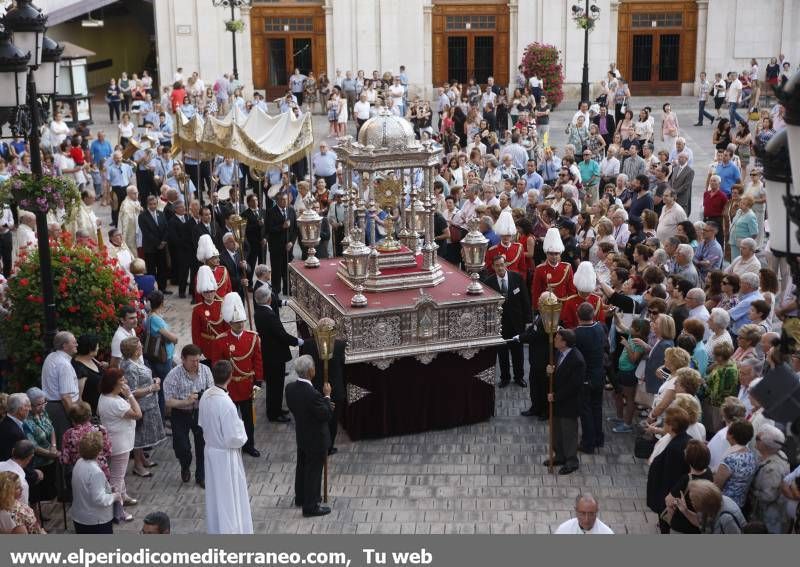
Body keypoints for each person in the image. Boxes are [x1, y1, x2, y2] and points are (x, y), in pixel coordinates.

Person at [198, 360, 253, 534]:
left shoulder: (206, 395)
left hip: (211, 451)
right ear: (231, 376)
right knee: (229, 497)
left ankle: (217, 529)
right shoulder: (226, 403)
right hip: (225, 455)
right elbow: (234, 438)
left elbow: (201, 423)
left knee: (216, 496)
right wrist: (241, 426)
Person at [211, 293, 262, 457]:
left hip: (247, 385)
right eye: (236, 322)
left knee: (249, 419)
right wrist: (221, 386)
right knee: (230, 419)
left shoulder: (252, 337)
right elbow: (217, 365)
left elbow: (257, 360)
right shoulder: (221, 340)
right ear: (230, 323)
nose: (240, 325)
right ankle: (231, 444)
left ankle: (249, 445)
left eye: (241, 322)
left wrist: (258, 381)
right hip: (230, 386)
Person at [285, 355, 334, 517]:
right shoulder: (313, 394)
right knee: (314, 471)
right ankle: (311, 505)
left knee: (302, 466)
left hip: (302, 434)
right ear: (311, 371)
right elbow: (326, 414)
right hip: (315, 438)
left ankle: (301, 497)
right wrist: (327, 397)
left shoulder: (290, 388)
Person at [164, 344, 213, 488]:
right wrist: (186, 401)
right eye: (192, 361)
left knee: (202, 445)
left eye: (198, 360)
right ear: (183, 360)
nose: (196, 364)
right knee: (182, 447)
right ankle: (185, 464)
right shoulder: (173, 375)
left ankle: (201, 476)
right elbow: (168, 400)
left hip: (200, 412)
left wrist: (202, 396)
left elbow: (211, 391)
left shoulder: (205, 370)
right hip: (180, 413)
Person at [97, 368, 141, 523]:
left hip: (118, 441)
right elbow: (138, 414)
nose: (125, 382)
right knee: (117, 477)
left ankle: (123, 495)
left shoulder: (105, 396)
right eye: (122, 380)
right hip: (120, 444)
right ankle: (118, 511)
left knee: (118, 473)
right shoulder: (115, 402)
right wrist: (129, 395)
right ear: (114, 384)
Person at [252, 286, 301, 423]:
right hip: (275, 356)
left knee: (275, 385)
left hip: (270, 353)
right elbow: (281, 335)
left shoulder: (260, 312)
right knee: (276, 386)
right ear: (268, 299)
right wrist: (297, 341)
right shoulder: (269, 315)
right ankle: (274, 413)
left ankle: (277, 408)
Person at [119, 336, 166, 476]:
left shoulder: (135, 362)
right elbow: (132, 391)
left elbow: (141, 381)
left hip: (148, 404)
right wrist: (152, 387)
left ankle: (143, 460)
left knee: (143, 433)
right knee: (138, 436)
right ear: (134, 351)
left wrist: (152, 381)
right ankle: (138, 466)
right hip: (140, 406)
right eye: (139, 346)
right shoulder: (129, 367)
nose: (141, 348)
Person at [544, 329, 585, 475]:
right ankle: (559, 455)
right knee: (557, 430)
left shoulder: (577, 360)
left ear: (564, 342)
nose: (554, 340)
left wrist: (556, 396)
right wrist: (550, 372)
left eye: (557, 338)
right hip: (557, 402)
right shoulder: (558, 353)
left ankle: (571, 460)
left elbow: (574, 386)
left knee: (568, 432)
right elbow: (556, 372)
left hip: (569, 403)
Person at [485, 254, 530, 388]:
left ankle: (519, 377)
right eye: (497, 265)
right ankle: (504, 378)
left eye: (502, 264)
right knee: (502, 353)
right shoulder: (489, 283)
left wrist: (528, 320)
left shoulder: (517, 278)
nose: (500, 268)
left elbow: (525, 300)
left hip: (517, 323)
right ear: (493, 267)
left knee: (518, 353)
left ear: (506, 264)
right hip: (500, 325)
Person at [70, 431, 119, 534]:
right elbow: (100, 499)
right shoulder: (95, 472)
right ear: (99, 451)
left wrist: (109, 489)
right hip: (95, 521)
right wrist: (115, 496)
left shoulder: (79, 463)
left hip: (80, 517)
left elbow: (87, 488)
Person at [574, 302, 607, 453]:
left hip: (585, 377)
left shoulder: (577, 334)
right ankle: (598, 437)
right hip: (599, 375)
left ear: (578, 315)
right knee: (597, 407)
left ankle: (588, 443)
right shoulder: (600, 328)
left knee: (585, 410)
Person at [647, 406, 691, 515]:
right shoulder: (684, 438)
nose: (663, 425)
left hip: (666, 494)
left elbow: (669, 475)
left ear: (671, 427)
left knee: (664, 519)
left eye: (665, 423)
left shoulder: (674, 448)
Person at [40, 331, 80, 449]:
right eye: (74, 342)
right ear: (64, 345)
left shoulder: (51, 357)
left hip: (52, 407)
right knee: (65, 447)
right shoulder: (64, 365)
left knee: (58, 445)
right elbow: (66, 397)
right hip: (61, 410)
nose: (77, 344)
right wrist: (74, 419)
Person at [22, 388, 58, 511]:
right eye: (39, 404)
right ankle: (39, 515)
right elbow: (33, 446)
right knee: (38, 495)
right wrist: (50, 454)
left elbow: (51, 427)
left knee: (49, 490)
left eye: (44, 403)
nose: (43, 407)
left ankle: (46, 511)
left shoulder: (43, 412)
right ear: (29, 405)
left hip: (50, 458)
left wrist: (53, 446)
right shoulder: (26, 421)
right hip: (38, 462)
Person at [714, 420, 758, 509]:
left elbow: (716, 486)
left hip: (724, 505)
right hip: (740, 504)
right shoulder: (752, 456)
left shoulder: (730, 460)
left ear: (731, 435)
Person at [531, 227, 577, 310]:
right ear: (546, 254)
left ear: (560, 253)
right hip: (547, 307)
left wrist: (571, 307)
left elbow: (571, 290)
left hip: (564, 306)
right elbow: (536, 291)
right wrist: (536, 308)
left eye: (556, 254)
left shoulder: (567, 267)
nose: (554, 256)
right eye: (551, 254)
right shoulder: (540, 269)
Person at [191, 265, 227, 363]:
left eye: (211, 291)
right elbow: (196, 333)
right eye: (206, 292)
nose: (209, 294)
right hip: (207, 345)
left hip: (221, 343)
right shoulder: (198, 309)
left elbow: (227, 327)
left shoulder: (222, 305)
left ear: (215, 291)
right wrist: (198, 350)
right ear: (202, 293)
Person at [267, 193, 298, 296]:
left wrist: (292, 242)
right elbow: (269, 229)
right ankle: (276, 290)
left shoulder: (291, 210)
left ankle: (287, 289)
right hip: (276, 247)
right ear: (277, 201)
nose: (285, 202)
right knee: (276, 270)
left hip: (288, 247)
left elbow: (295, 229)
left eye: (286, 200)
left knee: (287, 270)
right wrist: (282, 227)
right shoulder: (271, 212)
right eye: (282, 200)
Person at [139, 195, 170, 293]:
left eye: (155, 204)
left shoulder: (161, 214)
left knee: (162, 268)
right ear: (148, 205)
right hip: (150, 247)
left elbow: (166, 228)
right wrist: (158, 243)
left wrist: (164, 241)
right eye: (151, 204)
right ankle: (153, 289)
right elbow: (146, 232)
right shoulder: (142, 216)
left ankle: (163, 288)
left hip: (162, 247)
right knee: (151, 269)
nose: (153, 206)